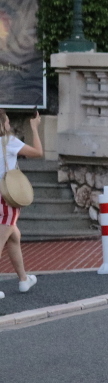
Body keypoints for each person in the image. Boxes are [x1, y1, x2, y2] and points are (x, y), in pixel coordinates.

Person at [0, 109, 42, 298]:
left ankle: (24, 279)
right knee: (2, 239)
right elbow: (38, 153)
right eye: (7, 121)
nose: (9, 124)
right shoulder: (8, 142)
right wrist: (34, 128)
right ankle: (23, 279)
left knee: (13, 236)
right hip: (6, 196)